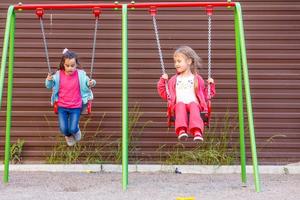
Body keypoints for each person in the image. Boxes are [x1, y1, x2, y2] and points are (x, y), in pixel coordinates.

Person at [157, 46, 215, 141]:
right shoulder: (173, 80)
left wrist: (210, 85)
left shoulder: (197, 79)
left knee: (193, 105)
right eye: (175, 62)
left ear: (189, 61)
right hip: (179, 105)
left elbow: (205, 95)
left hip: (194, 105)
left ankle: (197, 131)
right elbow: (164, 93)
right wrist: (162, 81)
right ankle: (181, 130)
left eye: (179, 61)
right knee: (179, 105)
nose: (176, 64)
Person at [45, 48, 96, 146]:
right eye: (67, 66)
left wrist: (91, 83)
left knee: (73, 128)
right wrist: (49, 80)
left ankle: (76, 130)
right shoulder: (58, 75)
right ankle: (68, 135)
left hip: (76, 106)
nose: (70, 68)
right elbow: (49, 85)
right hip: (62, 106)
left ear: (76, 64)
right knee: (64, 129)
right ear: (63, 65)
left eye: (72, 66)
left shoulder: (81, 75)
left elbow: (89, 82)